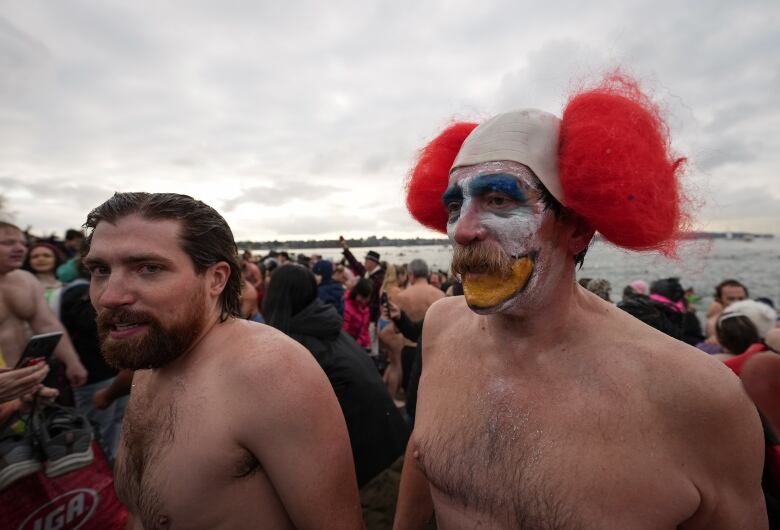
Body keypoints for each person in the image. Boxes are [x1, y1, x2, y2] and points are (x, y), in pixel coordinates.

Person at [395, 74, 766, 528]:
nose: (464, 230)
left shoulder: (698, 396)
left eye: (497, 200)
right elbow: (423, 455)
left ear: (577, 230)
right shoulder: (440, 327)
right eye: (455, 206)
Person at [82, 192, 363, 529]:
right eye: (100, 269)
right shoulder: (154, 357)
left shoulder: (271, 373)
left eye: (148, 268)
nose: (110, 296)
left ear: (216, 279)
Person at [262, 266, 408, 488]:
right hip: (390, 438)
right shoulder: (324, 323)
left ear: (276, 296)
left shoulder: (299, 343)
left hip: (368, 458)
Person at [0, 222, 88, 387]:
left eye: (23, 243)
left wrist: (73, 362)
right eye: (8, 243)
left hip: (28, 382)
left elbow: (48, 324)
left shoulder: (26, 280)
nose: (20, 249)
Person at [391, 259, 444, 395]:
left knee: (411, 391)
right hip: (433, 349)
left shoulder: (401, 296)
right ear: (426, 274)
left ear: (411, 274)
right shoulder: (440, 295)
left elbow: (397, 329)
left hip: (409, 348)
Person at [22, 241, 65, 316]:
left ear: (56, 259)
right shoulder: (21, 286)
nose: (40, 259)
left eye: (46, 255)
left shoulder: (68, 286)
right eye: (35, 256)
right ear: (28, 261)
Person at [343, 279, 372, 351]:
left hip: (361, 346)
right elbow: (344, 333)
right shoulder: (347, 307)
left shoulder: (365, 308)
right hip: (350, 347)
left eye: (366, 298)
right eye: (362, 297)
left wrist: (368, 343)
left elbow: (365, 329)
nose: (364, 301)